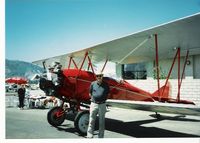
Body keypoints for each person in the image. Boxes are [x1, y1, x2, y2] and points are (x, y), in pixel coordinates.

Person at [87, 71, 110, 138]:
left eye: (100, 76)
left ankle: (101, 136)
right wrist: (93, 100)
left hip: (102, 105)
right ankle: (89, 134)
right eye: (97, 76)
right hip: (94, 104)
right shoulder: (92, 84)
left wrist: (102, 99)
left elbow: (108, 94)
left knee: (101, 121)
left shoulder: (106, 84)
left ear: (102, 76)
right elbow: (90, 93)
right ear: (96, 77)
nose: (99, 77)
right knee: (91, 120)